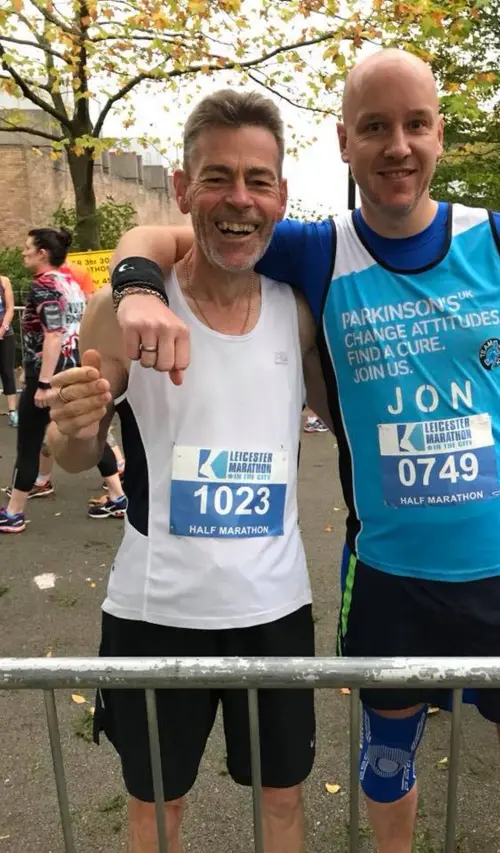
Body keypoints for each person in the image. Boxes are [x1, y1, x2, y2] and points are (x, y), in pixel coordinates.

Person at [106, 51, 500, 853]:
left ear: (439, 136)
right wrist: (140, 286)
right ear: (344, 141)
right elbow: (157, 226)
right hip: (390, 582)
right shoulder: (316, 251)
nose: (399, 146)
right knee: (388, 774)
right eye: (376, 127)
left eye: (416, 125)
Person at [46, 90, 329, 853]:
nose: (239, 199)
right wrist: (71, 429)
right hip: (154, 612)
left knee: (281, 802)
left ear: (281, 195)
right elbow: (76, 452)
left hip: (275, 611)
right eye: (217, 177)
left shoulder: (297, 309)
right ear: (181, 188)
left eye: (258, 180)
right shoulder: (127, 308)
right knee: (158, 810)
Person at [0, 229, 86, 533]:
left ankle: (14, 513)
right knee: (83, 431)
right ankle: (117, 494)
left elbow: (52, 334)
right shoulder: (70, 283)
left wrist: (44, 382)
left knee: (28, 442)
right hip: (71, 365)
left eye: (27, 248)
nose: (22, 252)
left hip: (50, 374)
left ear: (42, 253)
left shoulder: (43, 286)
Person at [0, 274, 18, 427]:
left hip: (5, 334)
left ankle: (12, 411)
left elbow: (10, 308)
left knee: (7, 371)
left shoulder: (4, 281)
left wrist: (3, 328)